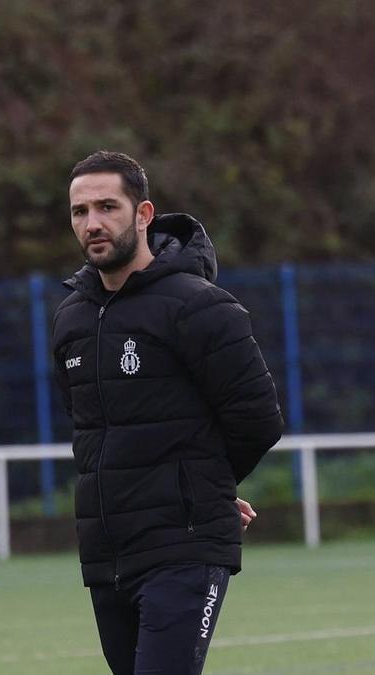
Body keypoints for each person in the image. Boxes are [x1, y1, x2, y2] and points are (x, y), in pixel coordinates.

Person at [51, 151, 284, 674]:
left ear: (143, 213)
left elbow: (258, 419)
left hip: (186, 547)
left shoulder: (201, 307)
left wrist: (202, 490)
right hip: (108, 554)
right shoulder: (71, 317)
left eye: (108, 207)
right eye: (79, 211)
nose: (92, 223)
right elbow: (94, 427)